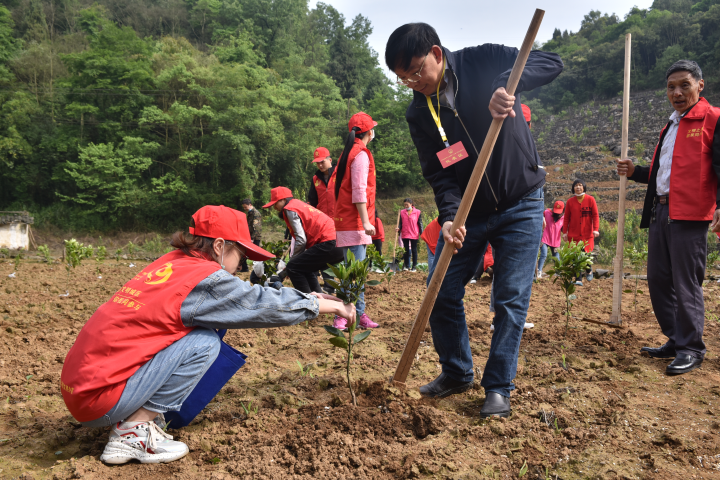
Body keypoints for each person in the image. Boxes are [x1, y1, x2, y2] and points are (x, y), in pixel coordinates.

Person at [60, 205, 354, 465]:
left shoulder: (172, 263)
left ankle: (134, 418)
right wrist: (320, 304)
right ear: (219, 246)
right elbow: (256, 304)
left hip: (83, 387)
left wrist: (308, 296)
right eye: (240, 255)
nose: (240, 266)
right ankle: (132, 432)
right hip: (100, 398)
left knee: (197, 332)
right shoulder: (204, 278)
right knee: (203, 343)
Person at [385, 23, 562, 417]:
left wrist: (507, 84)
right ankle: (457, 371)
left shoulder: (484, 60)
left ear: (435, 53)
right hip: (470, 212)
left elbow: (551, 61)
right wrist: (450, 218)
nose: (413, 83)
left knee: (510, 298)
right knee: (440, 289)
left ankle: (498, 387)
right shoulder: (420, 112)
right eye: (403, 79)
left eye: (416, 72)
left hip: (521, 201)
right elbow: (441, 174)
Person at [617, 59, 720, 376]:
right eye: (671, 87)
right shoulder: (671, 125)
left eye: (684, 85)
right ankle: (676, 340)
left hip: (690, 214)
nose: (677, 92)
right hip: (660, 210)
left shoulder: (713, 119)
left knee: (685, 282)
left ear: (700, 85)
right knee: (659, 279)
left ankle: (691, 348)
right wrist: (636, 172)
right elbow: (663, 172)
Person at [333, 111, 379, 330]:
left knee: (353, 271)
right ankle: (344, 316)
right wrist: (366, 222)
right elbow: (359, 190)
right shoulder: (360, 154)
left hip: (347, 220)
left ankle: (358, 312)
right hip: (355, 222)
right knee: (354, 273)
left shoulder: (348, 153)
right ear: (369, 132)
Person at [263, 186, 344, 294]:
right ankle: (318, 299)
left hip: (329, 242)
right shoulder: (299, 205)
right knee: (305, 267)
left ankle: (308, 301)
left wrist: (292, 261)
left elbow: (301, 240)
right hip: (340, 243)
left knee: (293, 267)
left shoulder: (290, 209)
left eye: (275, 203)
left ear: (283, 200)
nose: (274, 207)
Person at [307, 146, 338, 293]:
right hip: (322, 222)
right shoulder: (315, 179)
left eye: (322, 162)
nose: (320, 165)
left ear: (330, 160)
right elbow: (312, 201)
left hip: (339, 220)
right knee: (325, 253)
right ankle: (329, 285)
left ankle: (341, 284)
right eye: (317, 163)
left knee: (338, 253)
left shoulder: (340, 174)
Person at [561, 179, 599, 285]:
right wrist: (565, 232)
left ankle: (588, 269)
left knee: (586, 254)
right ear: (573, 188)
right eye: (576, 185)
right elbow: (566, 218)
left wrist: (596, 229)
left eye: (580, 185)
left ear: (584, 187)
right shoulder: (570, 201)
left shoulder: (590, 199)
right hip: (574, 234)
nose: (578, 187)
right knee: (575, 256)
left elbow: (595, 215)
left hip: (587, 234)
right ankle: (578, 279)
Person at [537, 200, 565, 278]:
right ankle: (539, 271)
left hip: (556, 241)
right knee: (544, 254)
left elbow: (563, 229)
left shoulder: (564, 218)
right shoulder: (546, 213)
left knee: (556, 257)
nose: (557, 214)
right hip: (545, 238)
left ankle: (558, 272)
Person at [396, 198, 423, 271]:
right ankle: (407, 266)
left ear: (411, 204)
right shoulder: (402, 212)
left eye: (407, 205)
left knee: (414, 250)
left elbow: (420, 223)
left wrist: (422, 233)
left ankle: (414, 267)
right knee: (406, 250)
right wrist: (399, 228)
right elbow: (401, 223)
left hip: (414, 233)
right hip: (405, 233)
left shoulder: (417, 212)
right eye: (404, 205)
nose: (405, 206)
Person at [239, 199, 262, 272]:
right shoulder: (250, 213)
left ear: (250, 205)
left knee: (256, 254)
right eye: (244, 207)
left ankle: (258, 270)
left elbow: (256, 227)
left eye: (245, 207)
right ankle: (244, 268)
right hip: (249, 236)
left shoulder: (256, 213)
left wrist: (252, 238)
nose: (245, 209)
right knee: (244, 251)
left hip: (255, 237)